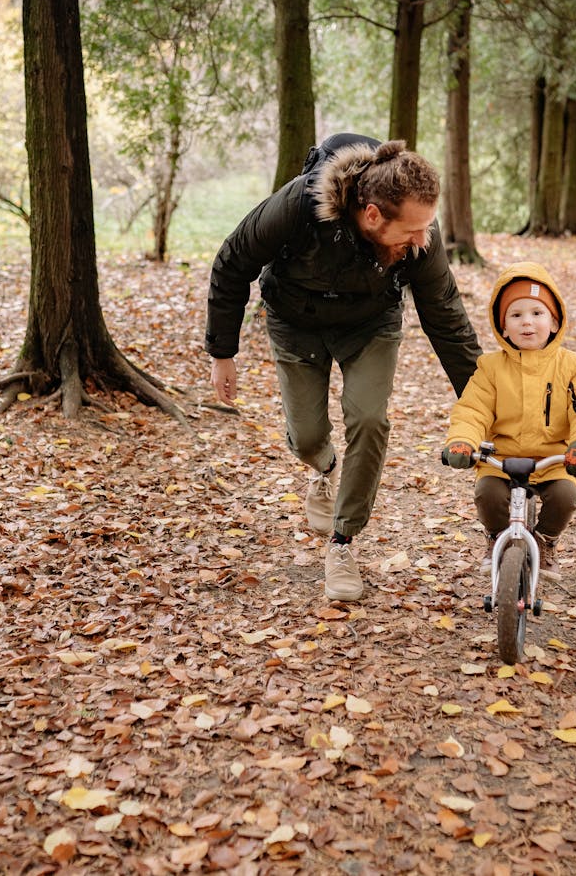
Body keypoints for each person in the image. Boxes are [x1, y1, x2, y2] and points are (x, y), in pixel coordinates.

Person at [206, 137, 482, 602]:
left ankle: (342, 542)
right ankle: (323, 464)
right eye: (412, 230)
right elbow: (233, 262)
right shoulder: (297, 206)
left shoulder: (421, 239)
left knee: (369, 418)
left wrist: (483, 400)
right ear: (372, 215)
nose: (422, 239)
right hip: (296, 323)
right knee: (309, 435)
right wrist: (222, 351)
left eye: (426, 228)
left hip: (370, 325)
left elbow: (446, 317)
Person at [442, 261, 576, 580]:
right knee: (487, 494)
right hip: (501, 458)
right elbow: (472, 409)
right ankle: (496, 537)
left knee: (565, 495)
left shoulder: (573, 366)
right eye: (516, 315)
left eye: (537, 313)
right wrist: (462, 441)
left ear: (555, 321)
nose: (527, 323)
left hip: (555, 458)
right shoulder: (490, 368)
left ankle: (545, 540)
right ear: (502, 326)